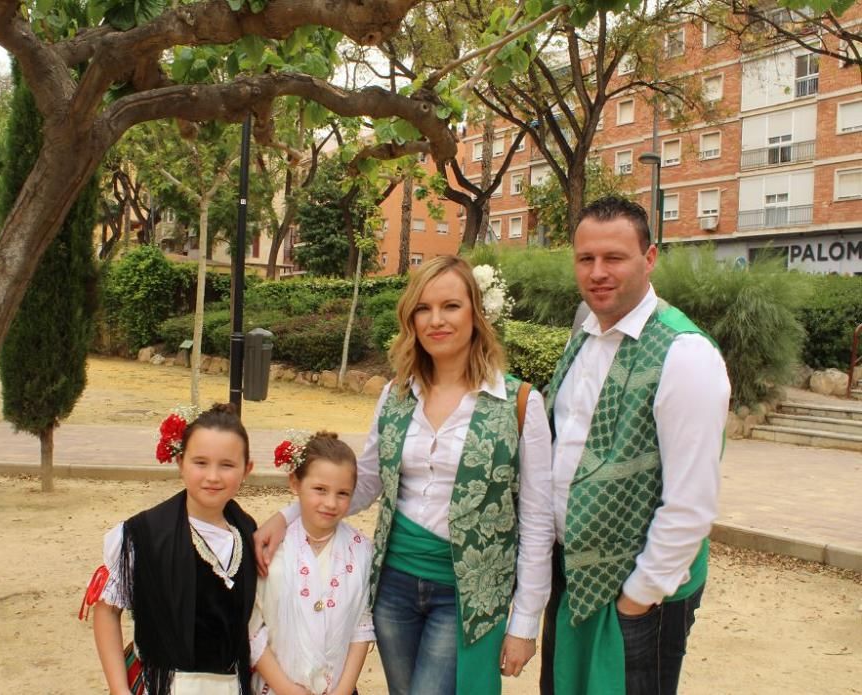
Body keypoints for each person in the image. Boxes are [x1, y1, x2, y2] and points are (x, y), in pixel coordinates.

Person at [255, 255, 553, 695]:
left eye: (450, 306)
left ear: (475, 312)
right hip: (393, 586)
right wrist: (286, 516)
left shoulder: (520, 403)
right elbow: (369, 483)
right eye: (422, 308)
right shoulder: (396, 395)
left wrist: (525, 623)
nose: (436, 320)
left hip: (466, 594)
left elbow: (537, 521)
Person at [535, 196, 730, 694]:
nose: (598, 272)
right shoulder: (583, 335)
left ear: (649, 258)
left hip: (637, 595)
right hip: (574, 580)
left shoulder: (686, 355)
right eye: (586, 259)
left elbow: (690, 504)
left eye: (614, 258)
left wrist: (637, 598)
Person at [92, 403, 258, 695]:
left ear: (247, 469)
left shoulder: (248, 530)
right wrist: (119, 690)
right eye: (200, 462)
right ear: (180, 462)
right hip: (165, 685)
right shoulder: (144, 535)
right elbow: (107, 612)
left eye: (227, 465)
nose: (213, 476)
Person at [249, 431, 374, 695]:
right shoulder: (271, 550)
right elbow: (252, 628)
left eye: (343, 493)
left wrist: (342, 690)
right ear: (295, 483)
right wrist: (287, 689)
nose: (330, 503)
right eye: (320, 490)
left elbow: (361, 628)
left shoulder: (362, 551)